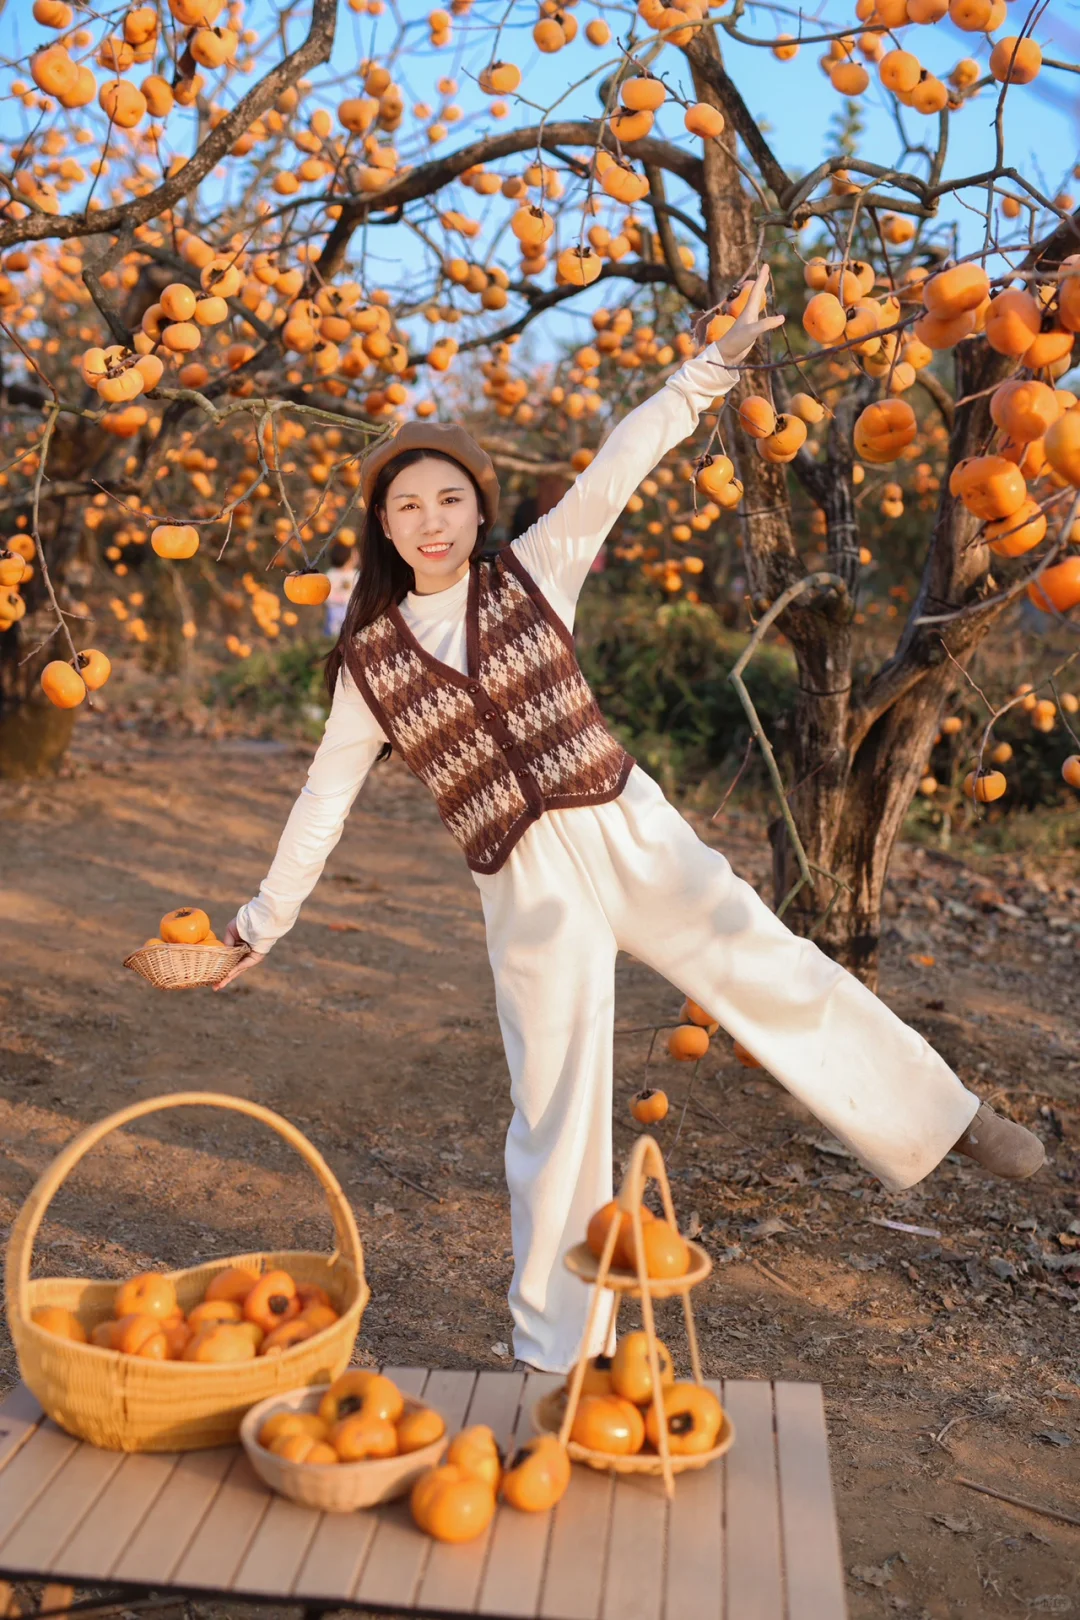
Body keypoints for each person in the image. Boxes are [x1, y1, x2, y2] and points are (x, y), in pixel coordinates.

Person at [214, 268, 1044, 1374]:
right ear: (382, 522)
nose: (430, 521)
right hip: (524, 886)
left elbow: (622, 462)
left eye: (448, 499)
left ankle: (945, 1118)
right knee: (554, 1113)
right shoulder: (369, 664)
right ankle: (558, 1354)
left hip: (626, 829)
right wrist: (260, 923)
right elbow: (324, 793)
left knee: (772, 970)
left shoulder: (534, 573)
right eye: (406, 505)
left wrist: (717, 367)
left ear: (477, 506)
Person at [322, 541, 358, 638]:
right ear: (348, 558)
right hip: (335, 610)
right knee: (335, 632)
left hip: (352, 610)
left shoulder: (356, 574)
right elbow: (326, 595)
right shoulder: (330, 575)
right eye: (354, 554)